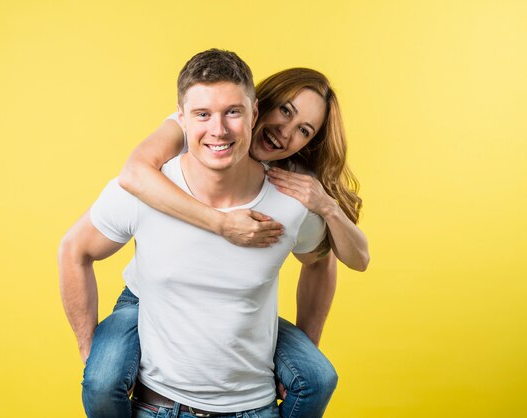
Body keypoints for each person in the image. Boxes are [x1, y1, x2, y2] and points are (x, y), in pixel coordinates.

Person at [59, 49, 340, 418]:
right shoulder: (149, 184)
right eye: (203, 115)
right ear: (182, 118)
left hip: (250, 395)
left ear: (252, 112)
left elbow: (326, 262)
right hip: (144, 304)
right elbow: (85, 236)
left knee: (318, 376)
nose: (218, 129)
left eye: (233, 113)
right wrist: (221, 223)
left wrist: (302, 349)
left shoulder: (293, 196)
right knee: (100, 380)